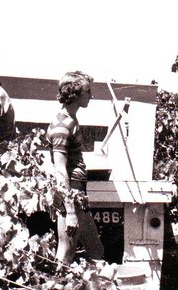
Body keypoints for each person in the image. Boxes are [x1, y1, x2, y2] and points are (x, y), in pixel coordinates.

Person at [48, 71, 104, 264]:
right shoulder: (62, 126)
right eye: (88, 91)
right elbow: (60, 170)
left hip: (78, 194)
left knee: (96, 250)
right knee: (66, 253)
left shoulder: (70, 121)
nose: (91, 96)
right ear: (74, 93)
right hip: (70, 194)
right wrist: (70, 211)